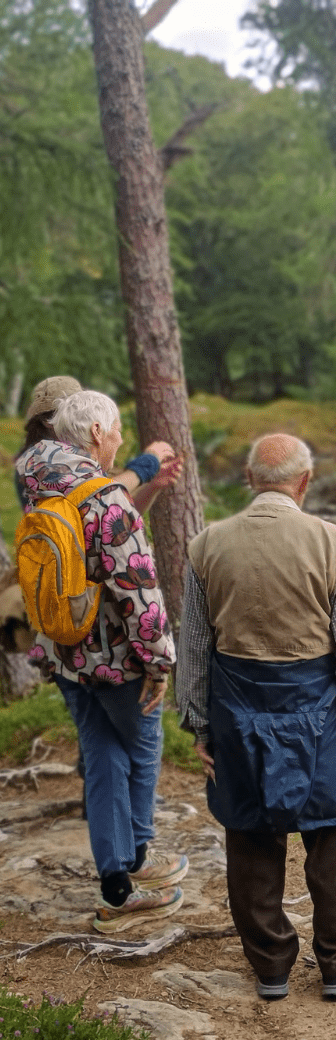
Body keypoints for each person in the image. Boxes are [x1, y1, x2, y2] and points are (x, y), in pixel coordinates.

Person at [176, 434, 336, 1001]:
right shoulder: (332, 543)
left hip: (238, 713)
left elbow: (192, 646)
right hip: (318, 712)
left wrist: (198, 724)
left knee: (249, 835)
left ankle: (270, 966)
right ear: (305, 481)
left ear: (249, 478)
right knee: (333, 831)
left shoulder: (206, 545)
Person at [16, 390, 187, 932]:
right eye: (115, 432)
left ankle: (119, 884)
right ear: (94, 434)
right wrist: (161, 664)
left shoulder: (34, 478)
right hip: (114, 661)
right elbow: (137, 592)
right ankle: (135, 861)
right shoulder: (107, 499)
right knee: (142, 744)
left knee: (102, 753)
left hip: (61, 652)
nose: (118, 442)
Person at [15, 376, 184, 515]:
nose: (79, 416)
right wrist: (147, 465)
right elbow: (95, 497)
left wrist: (153, 485)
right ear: (47, 421)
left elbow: (117, 514)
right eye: (70, 410)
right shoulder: (38, 461)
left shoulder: (80, 456)